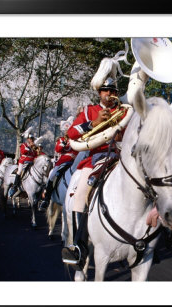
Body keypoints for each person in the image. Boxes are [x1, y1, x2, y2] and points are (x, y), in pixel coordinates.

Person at [62, 77, 124, 269]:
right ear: (99, 93)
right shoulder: (89, 110)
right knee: (81, 195)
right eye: (106, 90)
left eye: (113, 91)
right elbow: (71, 133)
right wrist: (93, 123)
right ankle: (77, 246)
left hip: (118, 156)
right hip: (94, 157)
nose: (110, 94)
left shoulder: (123, 111)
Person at [39, 117, 78, 211]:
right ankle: (47, 199)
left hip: (75, 161)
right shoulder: (61, 140)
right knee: (52, 176)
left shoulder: (76, 139)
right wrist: (64, 142)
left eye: (69, 130)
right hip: (63, 161)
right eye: (66, 130)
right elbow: (58, 149)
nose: (67, 132)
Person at [9, 127, 36, 198]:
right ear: (28, 139)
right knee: (19, 171)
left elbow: (35, 155)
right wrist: (30, 146)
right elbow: (23, 151)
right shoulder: (24, 145)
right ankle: (14, 186)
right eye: (30, 139)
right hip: (23, 162)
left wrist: (36, 150)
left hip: (31, 162)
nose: (32, 140)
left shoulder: (34, 146)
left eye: (32, 139)